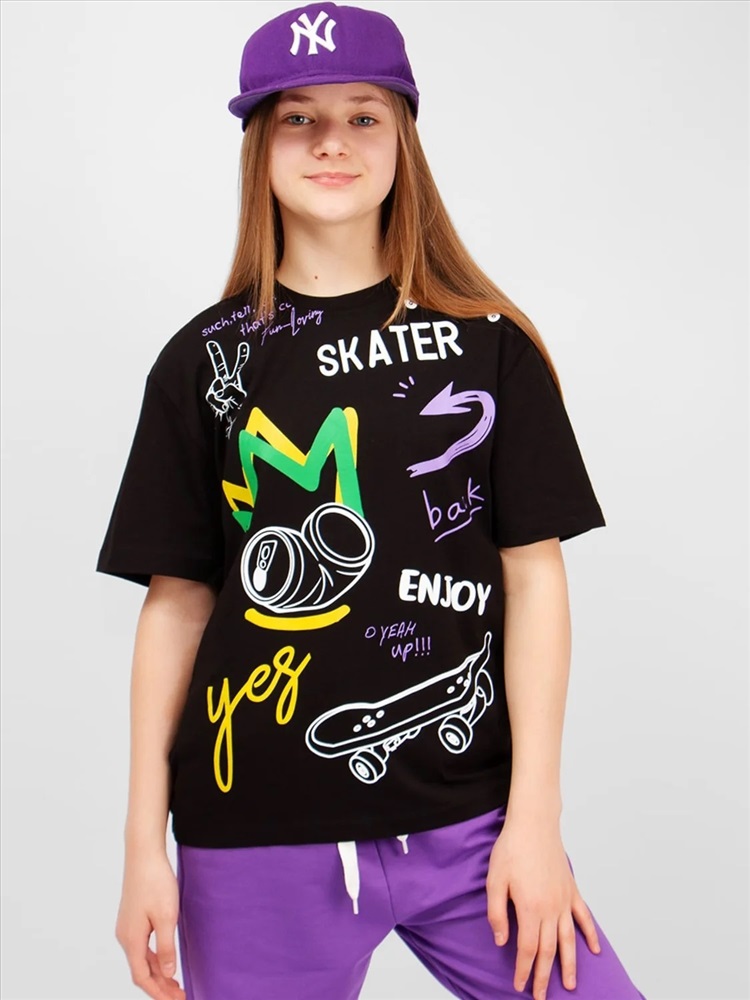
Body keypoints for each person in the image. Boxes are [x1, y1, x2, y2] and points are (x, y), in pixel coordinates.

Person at [96, 3, 648, 999]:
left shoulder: (490, 346)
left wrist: (535, 819)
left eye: (362, 116)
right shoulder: (204, 364)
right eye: (299, 119)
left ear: (404, 140)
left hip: (471, 826)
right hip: (255, 832)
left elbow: (535, 580)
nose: (332, 142)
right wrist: (144, 844)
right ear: (260, 144)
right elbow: (175, 607)